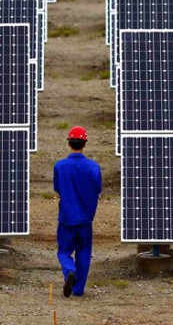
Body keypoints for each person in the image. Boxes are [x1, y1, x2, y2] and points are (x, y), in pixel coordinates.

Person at [53, 125, 102, 298]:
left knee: (64, 251)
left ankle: (69, 270)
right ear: (85, 143)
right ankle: (78, 289)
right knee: (84, 251)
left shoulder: (60, 166)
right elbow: (97, 189)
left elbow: (58, 188)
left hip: (67, 217)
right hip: (86, 218)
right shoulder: (93, 167)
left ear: (69, 143)